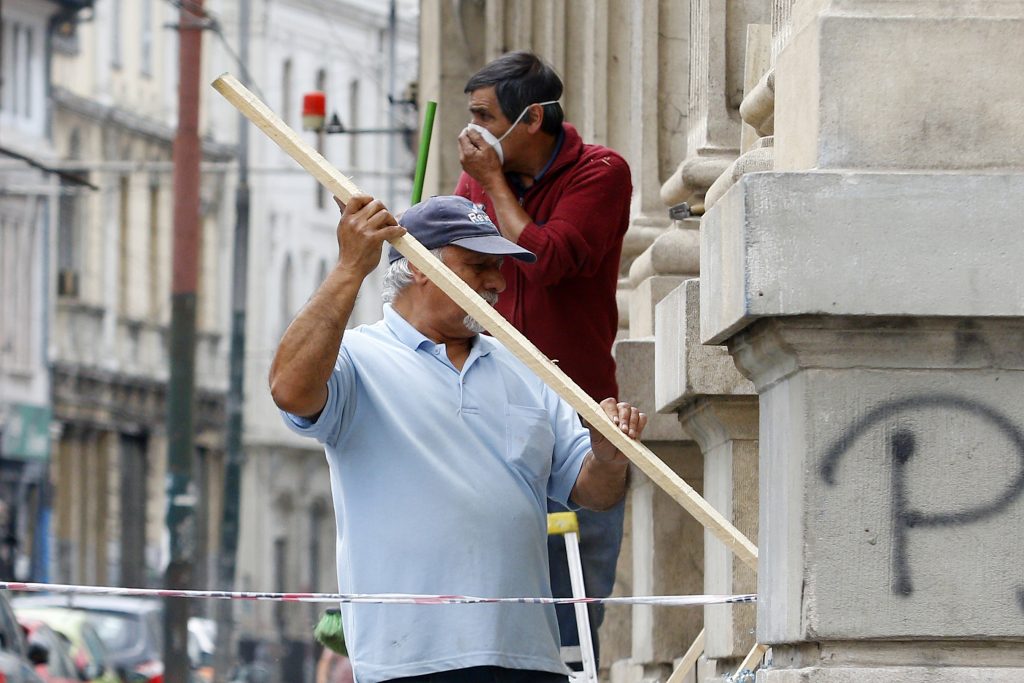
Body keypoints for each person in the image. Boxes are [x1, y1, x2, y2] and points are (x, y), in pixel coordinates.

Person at [269, 193, 647, 683]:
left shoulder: (525, 364)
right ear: (422, 267)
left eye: (499, 267)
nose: (496, 282)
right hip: (410, 662)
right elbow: (289, 389)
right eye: (478, 266)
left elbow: (594, 491)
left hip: (528, 657)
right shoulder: (360, 360)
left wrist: (610, 456)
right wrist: (349, 269)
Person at [454, 51, 633, 664]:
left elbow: (548, 258)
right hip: (489, 403)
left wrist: (494, 184)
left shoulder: (602, 172)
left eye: (483, 115)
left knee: (571, 599)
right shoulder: (478, 174)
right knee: (486, 580)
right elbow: (459, 260)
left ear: (530, 120)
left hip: (576, 405)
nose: (471, 130)